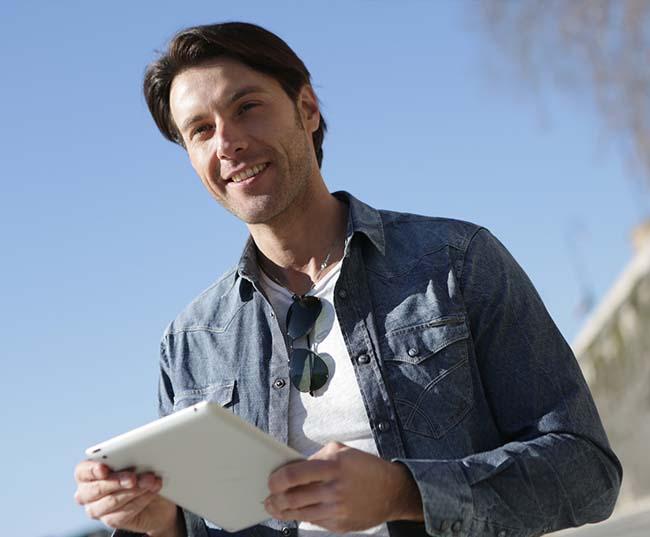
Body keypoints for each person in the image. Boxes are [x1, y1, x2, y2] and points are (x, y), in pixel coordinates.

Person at [73, 22, 622, 537]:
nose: (228, 142)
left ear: (306, 109)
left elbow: (586, 472)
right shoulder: (189, 343)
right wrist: (162, 524)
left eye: (247, 108)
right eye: (200, 131)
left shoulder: (458, 261)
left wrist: (404, 493)